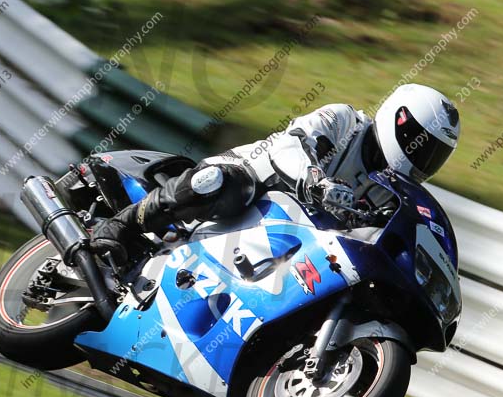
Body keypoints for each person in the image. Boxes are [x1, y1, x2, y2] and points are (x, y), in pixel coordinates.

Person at [91, 83, 461, 262]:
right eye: (422, 144)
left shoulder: (386, 192)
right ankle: (124, 224)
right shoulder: (345, 120)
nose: (423, 159)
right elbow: (291, 143)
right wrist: (315, 180)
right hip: (245, 180)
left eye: (434, 155)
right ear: (400, 121)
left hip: (279, 236)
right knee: (230, 185)